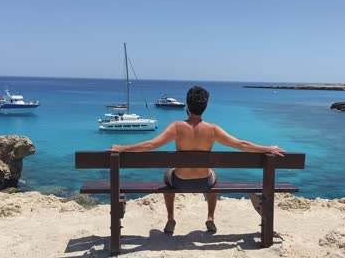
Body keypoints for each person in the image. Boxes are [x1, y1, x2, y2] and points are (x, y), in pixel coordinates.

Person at [109, 86, 285, 233]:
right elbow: (242, 145)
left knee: (167, 175)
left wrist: (123, 148)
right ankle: (210, 217)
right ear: (205, 107)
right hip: (204, 183)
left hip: (179, 182)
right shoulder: (213, 129)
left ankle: (171, 218)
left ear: (187, 105)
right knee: (214, 175)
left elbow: (150, 145)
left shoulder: (177, 127)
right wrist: (268, 148)